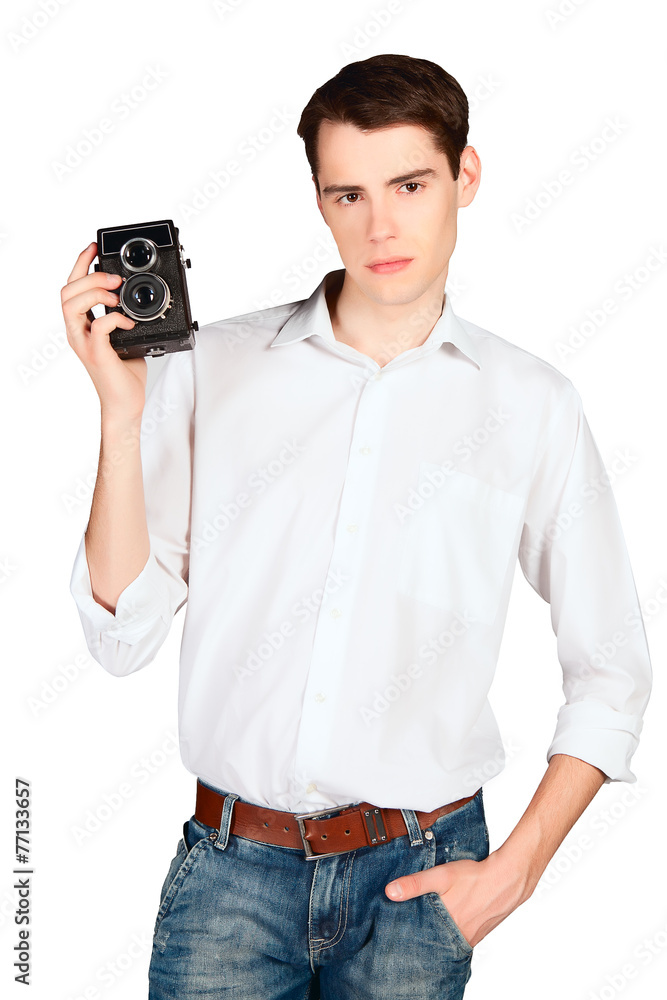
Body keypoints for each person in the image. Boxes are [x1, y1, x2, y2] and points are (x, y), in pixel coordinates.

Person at [63, 53, 652, 999]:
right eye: (347, 194)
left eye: (410, 185)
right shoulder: (212, 365)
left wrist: (516, 872)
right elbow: (122, 634)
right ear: (320, 200)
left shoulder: (531, 403)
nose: (379, 226)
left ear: (463, 176)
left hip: (420, 883)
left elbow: (613, 663)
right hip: (230, 878)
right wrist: (120, 416)